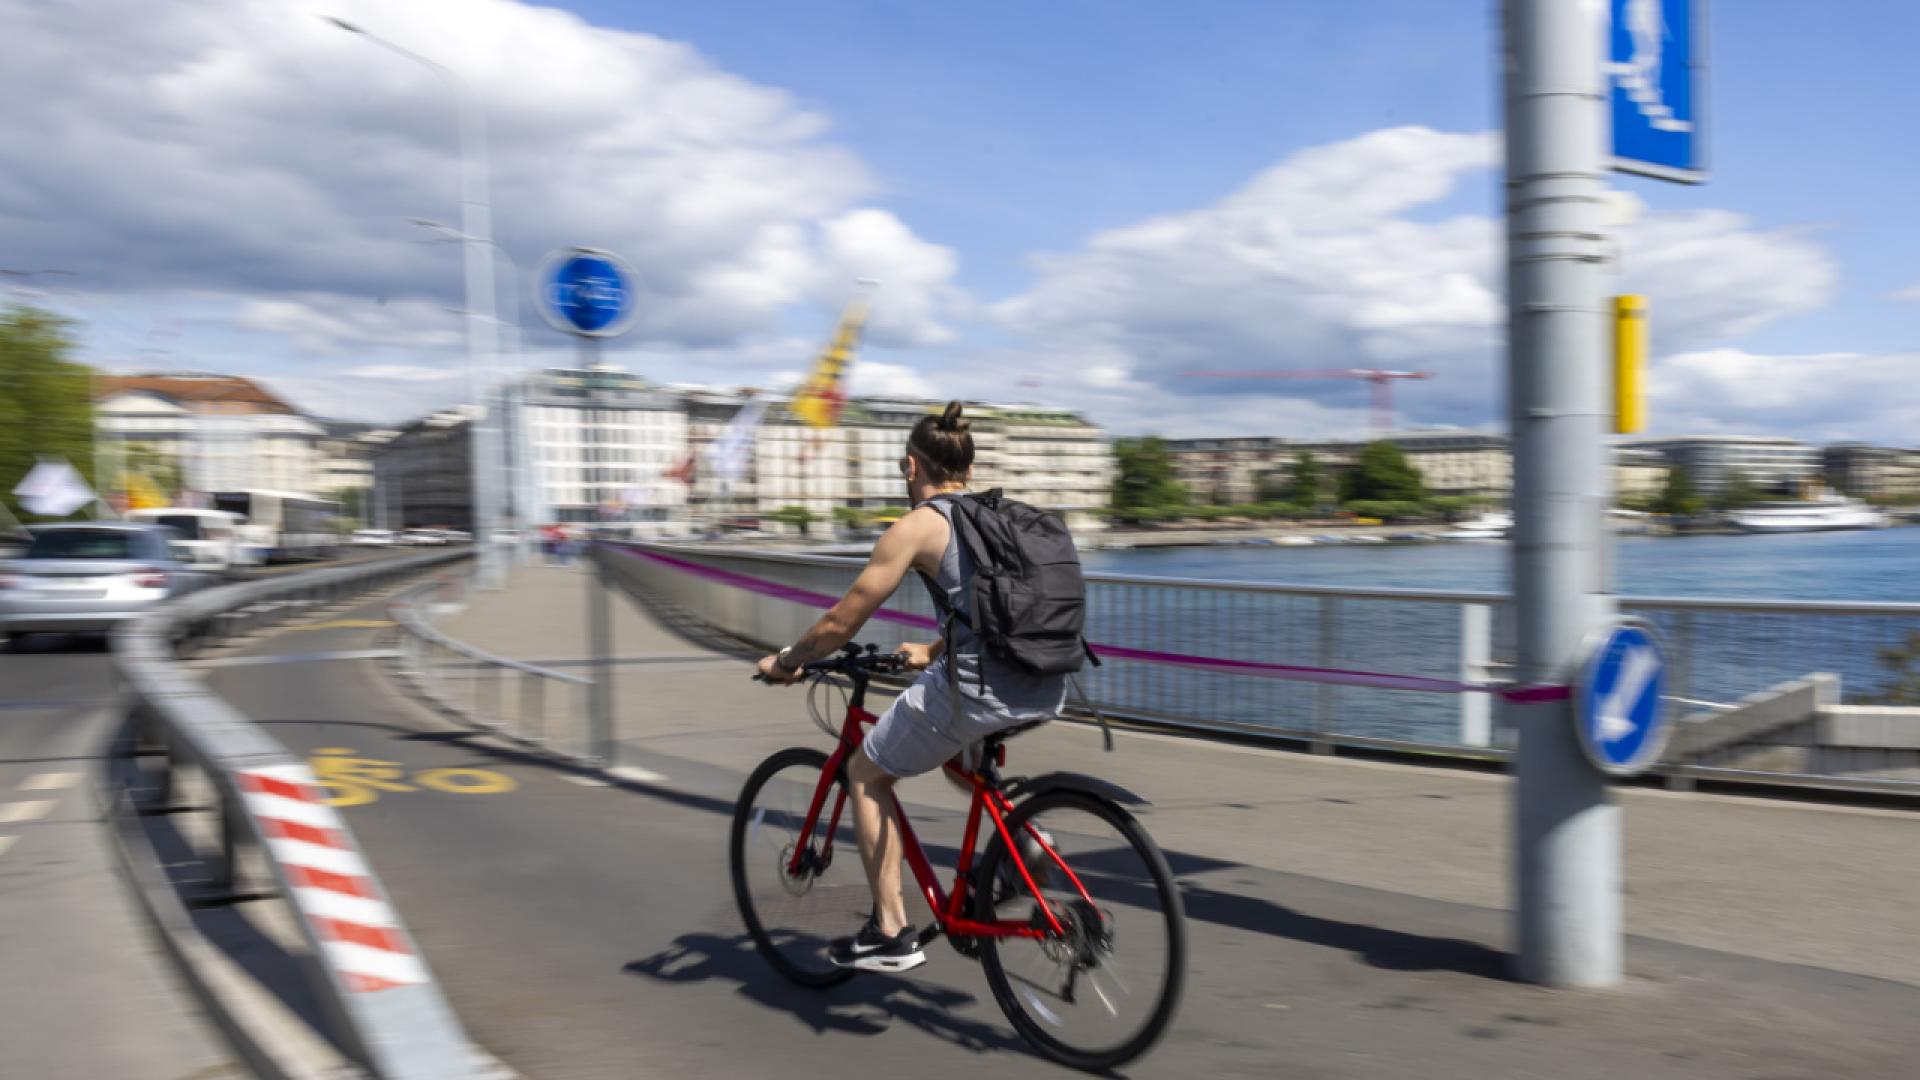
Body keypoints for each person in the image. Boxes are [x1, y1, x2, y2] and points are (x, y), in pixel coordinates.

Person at [756, 401, 1068, 973]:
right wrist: (929, 651)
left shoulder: (919, 525)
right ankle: (1026, 843)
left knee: (866, 773)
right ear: (968, 471)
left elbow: (841, 622)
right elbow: (990, 608)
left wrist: (788, 660)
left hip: (979, 689)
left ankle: (891, 931)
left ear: (909, 467)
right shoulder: (996, 517)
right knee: (958, 761)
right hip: (1045, 682)